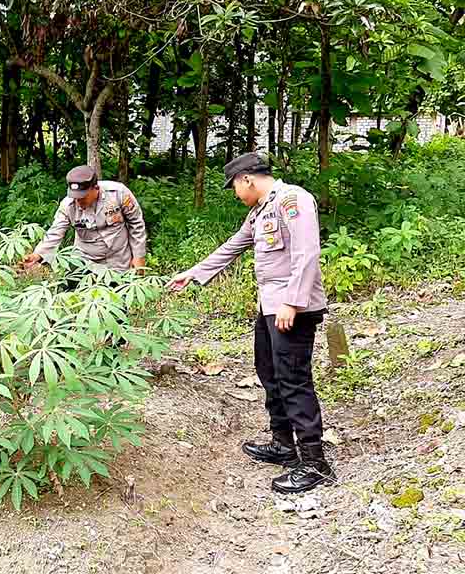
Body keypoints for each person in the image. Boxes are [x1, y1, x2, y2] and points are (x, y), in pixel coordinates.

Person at [167, 152, 334, 494]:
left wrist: (293, 301)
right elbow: (234, 246)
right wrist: (194, 274)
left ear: (247, 179)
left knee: (293, 379)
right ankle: (284, 445)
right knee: (269, 371)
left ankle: (316, 463)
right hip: (271, 307)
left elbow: (307, 253)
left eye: (234, 188)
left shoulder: (293, 200)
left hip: (292, 308)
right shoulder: (260, 211)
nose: (235, 194)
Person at [21, 165, 147, 274]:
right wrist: (38, 254)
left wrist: (138, 256)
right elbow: (55, 232)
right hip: (84, 260)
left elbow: (136, 223)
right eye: (75, 197)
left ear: (95, 189)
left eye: (82, 197)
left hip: (118, 260)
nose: (78, 201)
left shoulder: (118, 193)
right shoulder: (68, 205)